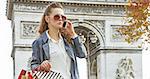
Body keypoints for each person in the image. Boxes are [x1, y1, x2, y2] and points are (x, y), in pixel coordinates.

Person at [31, 2, 87, 79]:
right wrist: (40, 66)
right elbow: (33, 65)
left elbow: (82, 54)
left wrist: (73, 34)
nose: (60, 19)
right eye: (57, 17)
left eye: (63, 17)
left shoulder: (68, 41)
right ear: (47, 19)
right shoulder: (39, 42)